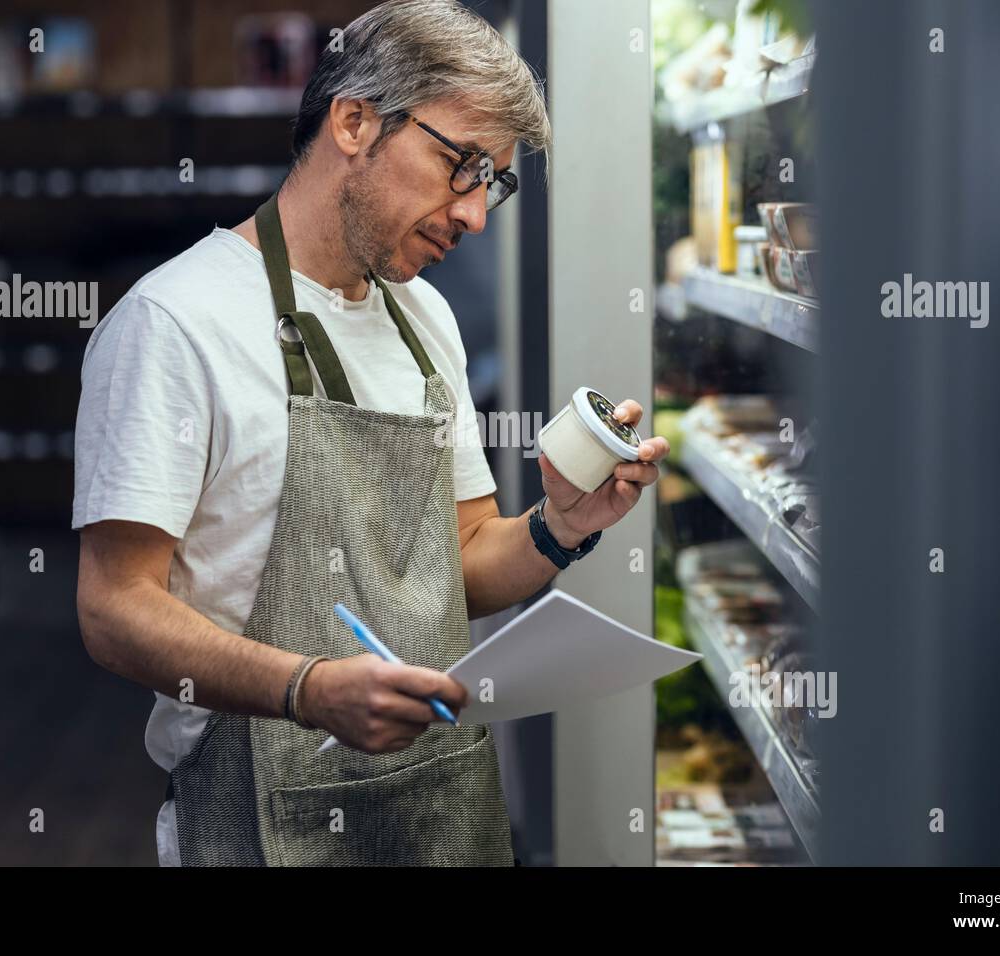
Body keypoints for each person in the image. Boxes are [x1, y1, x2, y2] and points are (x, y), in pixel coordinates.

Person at [72, 0, 670, 866]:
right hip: (256, 817)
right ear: (353, 122)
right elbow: (113, 607)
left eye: (493, 183)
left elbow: (460, 561)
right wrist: (307, 689)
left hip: (434, 805)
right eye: (463, 166)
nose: (475, 216)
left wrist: (561, 526)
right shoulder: (174, 322)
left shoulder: (424, 320)